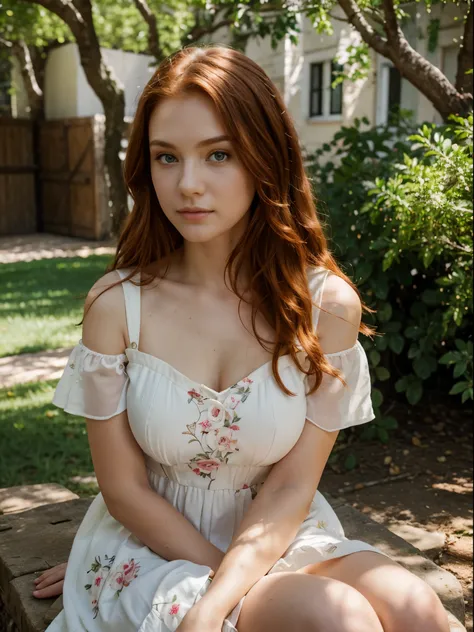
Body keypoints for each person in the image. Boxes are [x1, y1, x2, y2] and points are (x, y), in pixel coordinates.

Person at [36, 45, 450, 632]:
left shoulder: (324, 307)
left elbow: (290, 484)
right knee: (340, 621)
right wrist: (218, 596)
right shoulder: (117, 305)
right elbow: (124, 491)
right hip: (151, 545)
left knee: (418, 610)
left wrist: (226, 591)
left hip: (276, 529)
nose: (188, 185)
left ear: (265, 158)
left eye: (219, 154)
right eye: (166, 157)